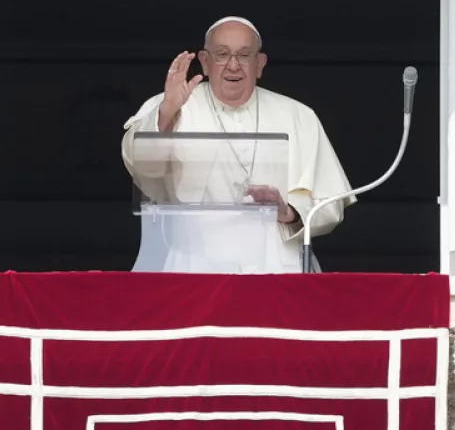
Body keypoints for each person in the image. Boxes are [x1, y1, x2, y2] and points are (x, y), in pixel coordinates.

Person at [121, 16, 354, 273]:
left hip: (277, 264)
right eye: (222, 55)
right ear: (205, 63)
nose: (233, 65)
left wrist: (288, 212)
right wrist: (166, 113)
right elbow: (138, 164)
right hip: (195, 264)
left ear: (260, 64)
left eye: (244, 55)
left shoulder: (299, 116)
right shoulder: (172, 104)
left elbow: (331, 202)